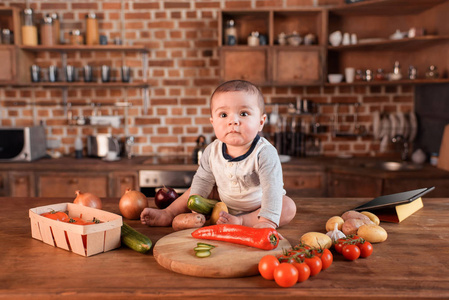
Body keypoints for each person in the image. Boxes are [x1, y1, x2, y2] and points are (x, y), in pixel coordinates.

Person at [141, 80, 296, 229]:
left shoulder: (264, 152)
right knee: (196, 189)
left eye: (243, 113)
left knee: (288, 206)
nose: (233, 121)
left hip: (259, 207)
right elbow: (202, 180)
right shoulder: (212, 151)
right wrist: (196, 203)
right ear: (213, 122)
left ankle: (242, 221)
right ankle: (169, 213)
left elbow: (272, 189)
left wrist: (267, 221)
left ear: (261, 122)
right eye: (223, 115)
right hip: (223, 202)